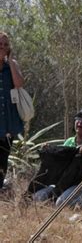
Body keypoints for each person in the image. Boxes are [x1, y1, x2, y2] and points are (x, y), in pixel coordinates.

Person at [33, 108, 82, 208]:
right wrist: (49, 151)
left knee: (61, 203)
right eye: (78, 119)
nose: (80, 122)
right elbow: (60, 165)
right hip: (68, 183)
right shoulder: (69, 142)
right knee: (38, 197)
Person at [0, 32, 24, 191]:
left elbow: (18, 84)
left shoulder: (11, 66)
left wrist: (12, 62)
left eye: (5, 45)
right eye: (0, 44)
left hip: (8, 121)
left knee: (2, 158)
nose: (2, 47)